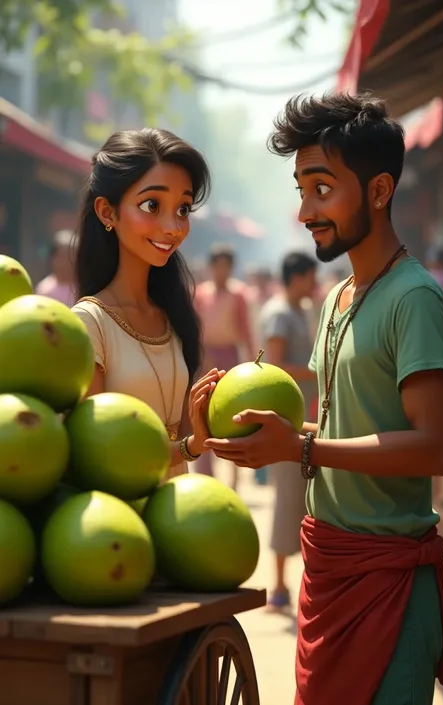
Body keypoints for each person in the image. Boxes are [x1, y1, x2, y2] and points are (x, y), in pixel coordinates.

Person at [205, 92, 443, 705]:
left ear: (377, 191)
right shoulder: (337, 299)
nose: (305, 212)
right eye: (300, 191)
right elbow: (342, 422)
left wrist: (301, 449)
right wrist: (280, 434)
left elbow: (433, 447)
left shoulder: (414, 298)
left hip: (387, 586)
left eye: (322, 189)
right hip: (330, 572)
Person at [72, 127, 222, 479]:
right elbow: (92, 450)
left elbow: (185, 427)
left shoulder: (173, 314)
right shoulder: (88, 323)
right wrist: (190, 447)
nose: (172, 227)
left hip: (178, 513)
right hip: (117, 521)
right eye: (152, 206)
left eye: (182, 208)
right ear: (107, 213)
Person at [260, 251, 317, 610]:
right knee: (287, 502)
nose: (313, 284)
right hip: (286, 419)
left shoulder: (299, 310)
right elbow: (274, 364)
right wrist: (317, 372)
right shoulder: (280, 313)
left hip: (302, 413)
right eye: (310, 277)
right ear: (296, 277)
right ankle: (278, 585)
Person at [194, 245, 254, 487]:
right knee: (203, 413)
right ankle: (206, 477)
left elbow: (245, 330)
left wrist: (251, 361)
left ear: (231, 268)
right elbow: (195, 329)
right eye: (217, 266)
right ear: (212, 268)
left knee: (233, 415)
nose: (221, 271)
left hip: (229, 357)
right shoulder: (200, 293)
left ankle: (235, 479)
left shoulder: (238, 294)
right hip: (206, 356)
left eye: (226, 266)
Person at [36, 229, 77, 306]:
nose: (67, 262)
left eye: (71, 257)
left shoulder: (85, 289)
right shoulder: (45, 290)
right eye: (62, 257)